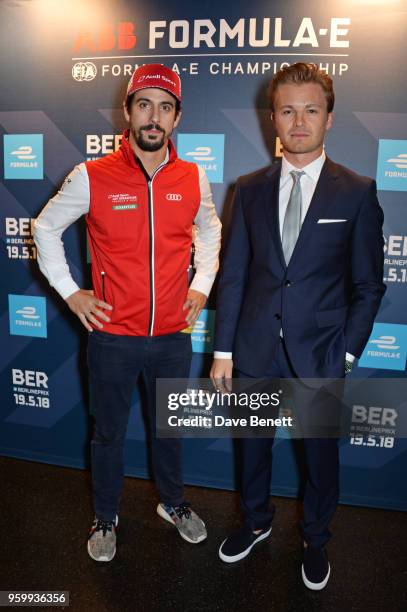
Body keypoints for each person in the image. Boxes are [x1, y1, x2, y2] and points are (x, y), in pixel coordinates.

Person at [34, 63, 221, 562]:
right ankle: (105, 517)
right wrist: (71, 292)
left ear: (177, 118)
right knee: (109, 433)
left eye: (165, 107)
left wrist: (201, 284)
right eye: (144, 105)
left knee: (169, 428)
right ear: (127, 111)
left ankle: (175, 505)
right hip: (112, 336)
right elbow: (44, 229)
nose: (153, 117)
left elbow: (210, 231)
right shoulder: (91, 176)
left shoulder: (193, 177)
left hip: (172, 337)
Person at [210, 63, 385, 590]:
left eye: (311, 109)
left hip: (322, 354)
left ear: (329, 119)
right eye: (288, 110)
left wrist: (347, 354)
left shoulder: (356, 192)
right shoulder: (247, 189)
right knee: (253, 447)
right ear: (273, 120)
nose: (300, 120)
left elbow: (369, 285)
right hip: (255, 348)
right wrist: (223, 350)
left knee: (320, 458)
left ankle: (315, 538)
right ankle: (256, 521)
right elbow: (235, 274)